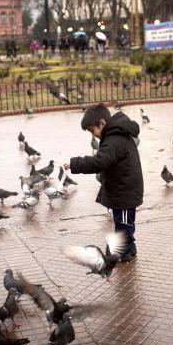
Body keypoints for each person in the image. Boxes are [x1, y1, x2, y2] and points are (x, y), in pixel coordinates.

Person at [64, 103, 144, 262]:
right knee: (124, 223)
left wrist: (75, 163)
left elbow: (99, 162)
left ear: (102, 123)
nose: (92, 135)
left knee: (124, 224)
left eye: (92, 130)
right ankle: (129, 246)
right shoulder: (115, 135)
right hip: (122, 190)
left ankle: (124, 253)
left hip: (125, 192)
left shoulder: (114, 139)